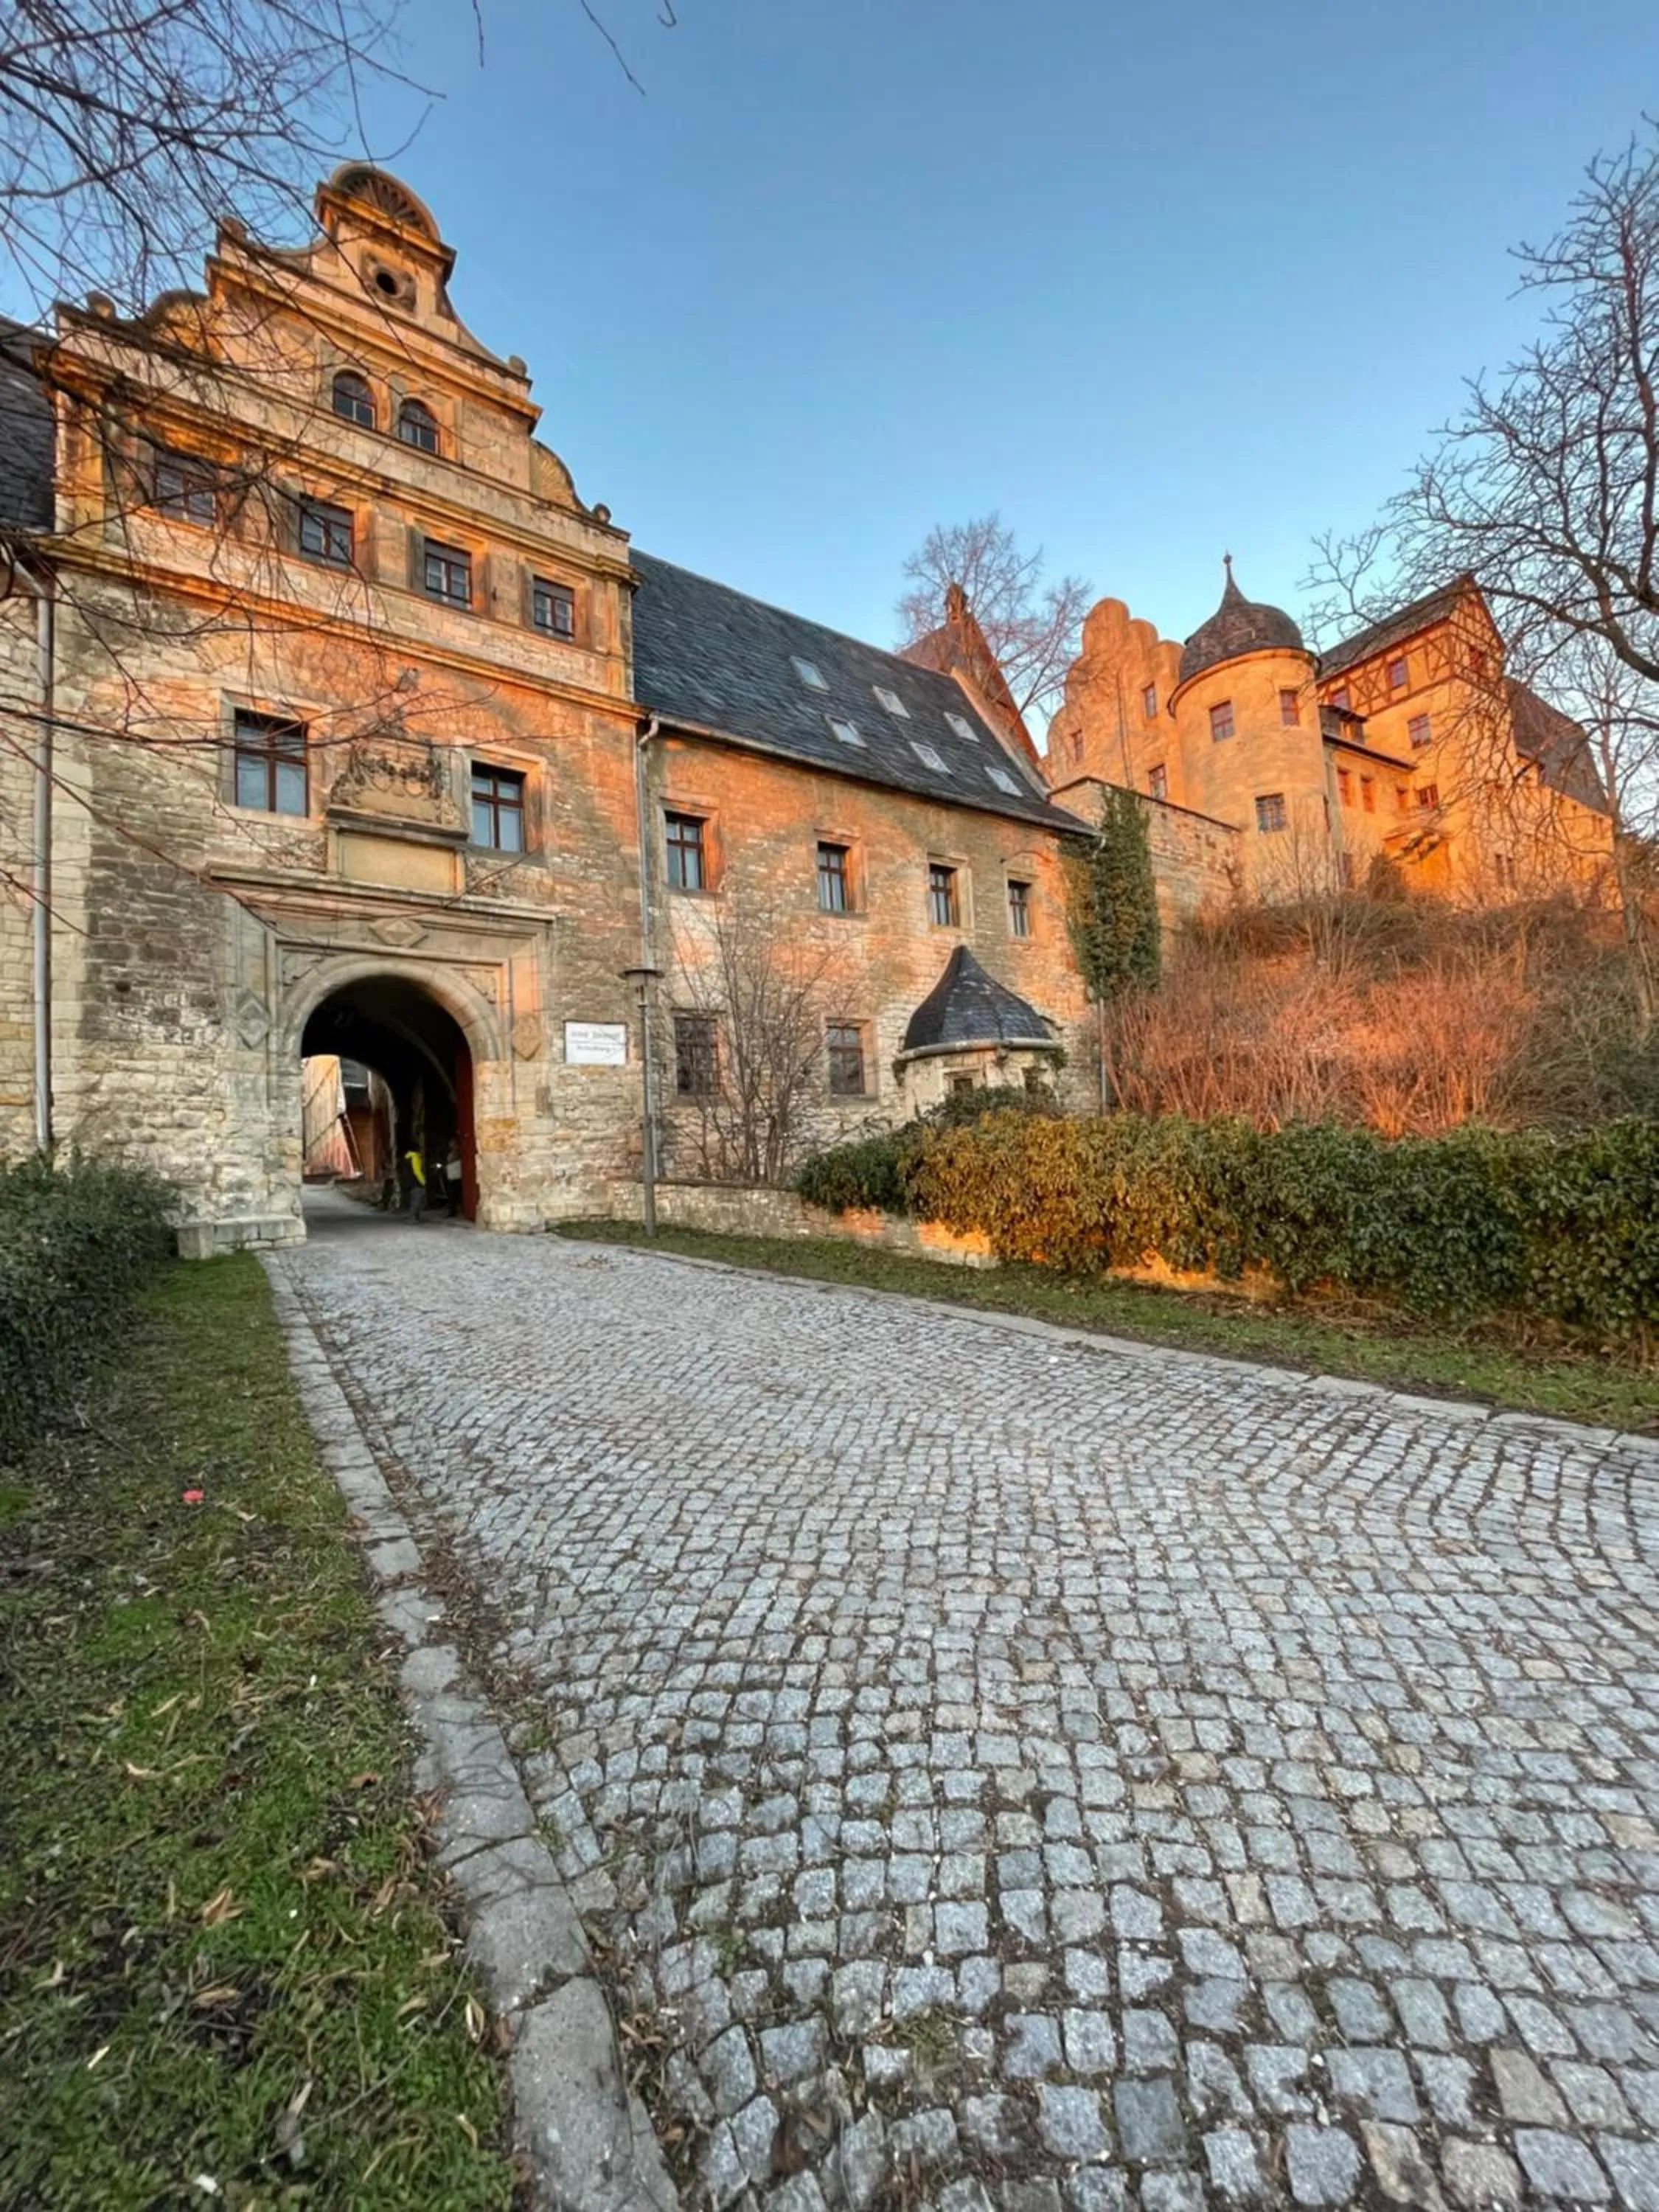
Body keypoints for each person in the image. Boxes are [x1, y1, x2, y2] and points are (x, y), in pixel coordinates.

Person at [403, 1144, 427, 1223]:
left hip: (409, 1182)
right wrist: (423, 1181)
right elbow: (417, 1171)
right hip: (416, 1182)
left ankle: (415, 1217)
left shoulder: (407, 1157)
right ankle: (412, 1218)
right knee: (417, 1200)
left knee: (414, 1200)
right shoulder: (415, 1157)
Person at [445, 1138, 464, 1218]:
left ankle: (455, 1210)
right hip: (452, 1175)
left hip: (456, 1175)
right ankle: (453, 1210)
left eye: (453, 1143)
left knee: (455, 1194)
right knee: (451, 1194)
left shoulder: (459, 1152)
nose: (452, 1145)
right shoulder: (451, 1153)